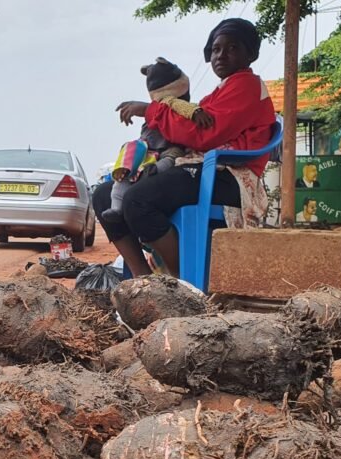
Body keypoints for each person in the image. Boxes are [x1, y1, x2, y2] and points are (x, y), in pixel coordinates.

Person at [93, 18, 276, 278]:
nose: (221, 55)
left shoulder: (246, 86)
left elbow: (203, 135)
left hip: (229, 176)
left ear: (251, 54)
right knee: (104, 194)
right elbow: (189, 126)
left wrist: (150, 110)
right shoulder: (219, 92)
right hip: (202, 169)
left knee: (138, 200)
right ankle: (141, 279)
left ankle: (183, 282)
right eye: (216, 49)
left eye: (232, 48)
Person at [102, 58, 193, 227]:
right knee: (119, 181)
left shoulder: (179, 108)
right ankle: (116, 208)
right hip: (149, 155)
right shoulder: (153, 112)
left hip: (171, 154)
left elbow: (187, 120)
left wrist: (147, 110)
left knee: (138, 195)